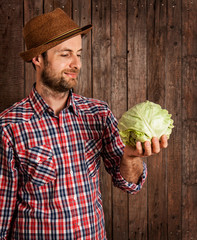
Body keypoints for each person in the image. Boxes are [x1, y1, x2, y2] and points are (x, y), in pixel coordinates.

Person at [0, 8, 168, 240]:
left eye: (78, 53)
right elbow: (3, 208)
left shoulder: (97, 113)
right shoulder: (9, 125)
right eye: (65, 54)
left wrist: (131, 158)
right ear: (37, 59)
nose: (76, 63)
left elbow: (129, 184)